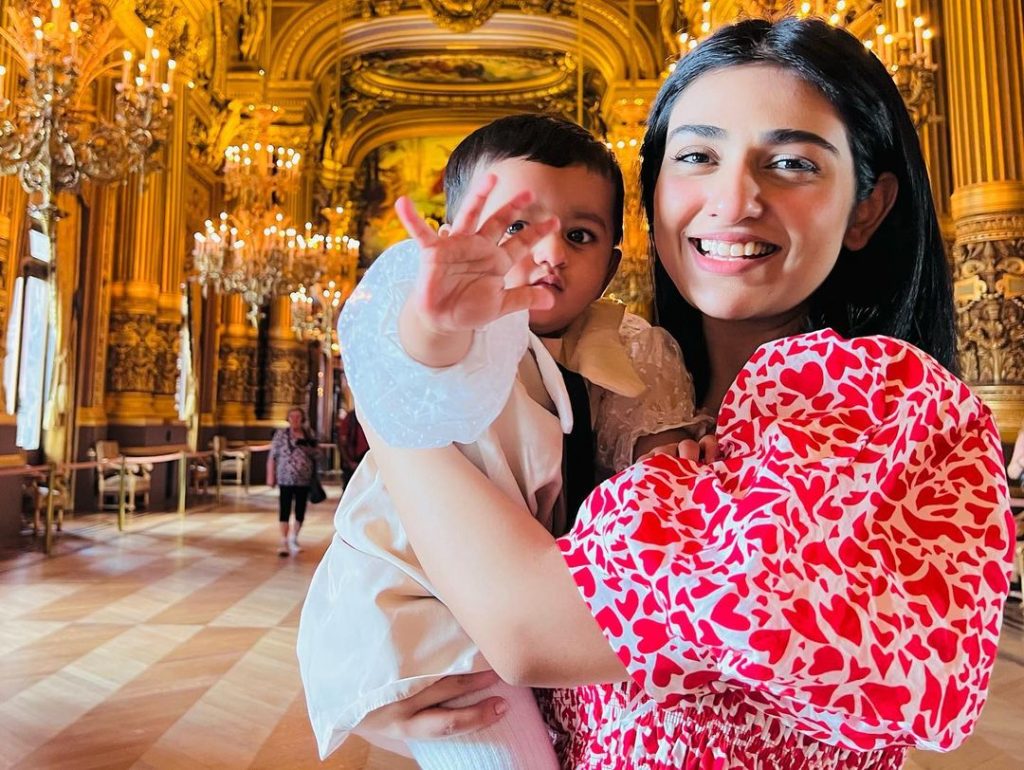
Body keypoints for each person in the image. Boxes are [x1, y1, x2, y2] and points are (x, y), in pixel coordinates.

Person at [359, 17, 1016, 769]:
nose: (734, 199)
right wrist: (404, 689)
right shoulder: (615, 391)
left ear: (866, 207)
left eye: (794, 163)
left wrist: (384, 382)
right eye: (698, 155)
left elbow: (530, 630)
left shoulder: (878, 402)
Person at [297, 114, 707, 767]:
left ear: (612, 265)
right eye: (515, 228)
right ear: (449, 240)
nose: (550, 254)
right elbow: (421, 371)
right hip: (421, 599)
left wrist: (671, 453)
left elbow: (650, 441)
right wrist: (435, 320)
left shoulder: (632, 345)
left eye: (580, 235)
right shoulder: (467, 330)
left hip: (533, 596)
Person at [267, 406, 319, 557]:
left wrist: (307, 446)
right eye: (292, 417)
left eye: (298, 417)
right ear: (288, 419)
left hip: (304, 478)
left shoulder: (309, 435)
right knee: (284, 507)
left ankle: (294, 537)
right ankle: (283, 540)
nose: (295, 420)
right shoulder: (280, 434)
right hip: (285, 477)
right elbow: (273, 455)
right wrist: (270, 475)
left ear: (302, 419)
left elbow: (318, 454)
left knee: (300, 509)